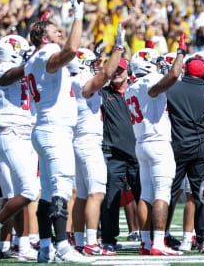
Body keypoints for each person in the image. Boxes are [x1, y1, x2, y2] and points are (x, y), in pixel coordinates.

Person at [23, 0, 88, 263]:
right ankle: (63, 246)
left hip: (46, 127)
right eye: (54, 30)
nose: (59, 32)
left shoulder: (31, 60)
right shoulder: (46, 53)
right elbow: (71, 51)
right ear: (44, 38)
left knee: (49, 192)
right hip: (54, 129)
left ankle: (46, 248)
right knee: (61, 187)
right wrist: (78, 16)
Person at [0, 34, 39, 262]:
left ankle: (22, 245)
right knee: (30, 191)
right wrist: (36, 59)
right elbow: (6, 78)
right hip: (10, 133)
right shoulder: (1, 70)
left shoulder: (15, 68)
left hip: (17, 133)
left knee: (16, 193)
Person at [125, 35, 186, 256]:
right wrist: (180, 52)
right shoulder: (146, 84)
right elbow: (173, 75)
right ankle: (158, 243)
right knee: (162, 193)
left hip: (142, 144)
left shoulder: (131, 87)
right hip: (158, 143)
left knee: (146, 195)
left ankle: (146, 242)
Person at [68, 28, 123, 256]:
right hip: (88, 142)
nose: (97, 66)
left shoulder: (70, 79)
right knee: (96, 192)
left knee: (82, 195)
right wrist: (118, 48)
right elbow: (105, 75)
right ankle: (91, 241)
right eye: (93, 63)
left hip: (78, 141)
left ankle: (80, 241)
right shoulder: (81, 80)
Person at [166, 49, 204, 253]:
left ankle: (160, 234)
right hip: (201, 149)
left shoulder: (172, 90)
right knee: (202, 195)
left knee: (168, 193)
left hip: (176, 148)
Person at [100, 57, 141, 251]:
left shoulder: (138, 90)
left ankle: (150, 237)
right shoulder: (103, 92)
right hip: (113, 153)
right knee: (111, 197)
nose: (117, 73)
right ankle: (108, 238)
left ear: (128, 71)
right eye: (114, 70)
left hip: (138, 153)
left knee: (143, 196)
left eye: (121, 69)